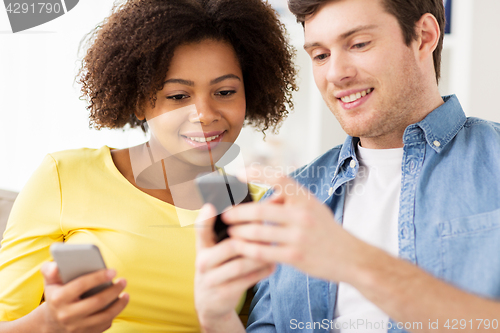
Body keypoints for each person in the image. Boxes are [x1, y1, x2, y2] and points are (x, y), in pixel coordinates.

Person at [194, 0, 500, 332]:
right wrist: (218, 317)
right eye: (321, 55)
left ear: (424, 37)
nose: (336, 74)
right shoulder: (288, 201)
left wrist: (353, 261)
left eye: (358, 44)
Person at [0, 0, 297, 332]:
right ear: (140, 101)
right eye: (178, 96)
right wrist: (49, 323)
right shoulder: (64, 176)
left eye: (225, 91)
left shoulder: (257, 207)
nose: (205, 113)